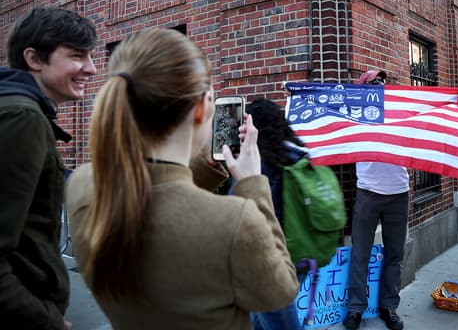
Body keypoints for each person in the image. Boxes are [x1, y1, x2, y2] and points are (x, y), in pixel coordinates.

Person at [66, 27, 298, 328]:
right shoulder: (234, 220)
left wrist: (204, 165)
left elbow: (161, 193)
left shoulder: (84, 184)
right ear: (202, 108)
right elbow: (280, 291)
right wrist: (252, 183)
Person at [0, 7, 97, 330]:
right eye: (77, 56)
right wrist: (44, 321)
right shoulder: (22, 119)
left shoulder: (18, 111)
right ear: (34, 59)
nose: (92, 69)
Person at [343, 69, 407, 330]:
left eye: (382, 81)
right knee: (360, 253)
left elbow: (429, 116)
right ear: (363, 88)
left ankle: (388, 307)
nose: (380, 85)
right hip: (368, 191)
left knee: (395, 254)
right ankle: (356, 308)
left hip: (398, 193)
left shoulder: (400, 111)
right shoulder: (355, 115)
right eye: (373, 82)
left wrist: (453, 102)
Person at [246, 98, 312, 330]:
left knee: (273, 318)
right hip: (303, 251)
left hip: (272, 259)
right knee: (264, 317)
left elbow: (253, 213)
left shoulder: (259, 163)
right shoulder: (298, 153)